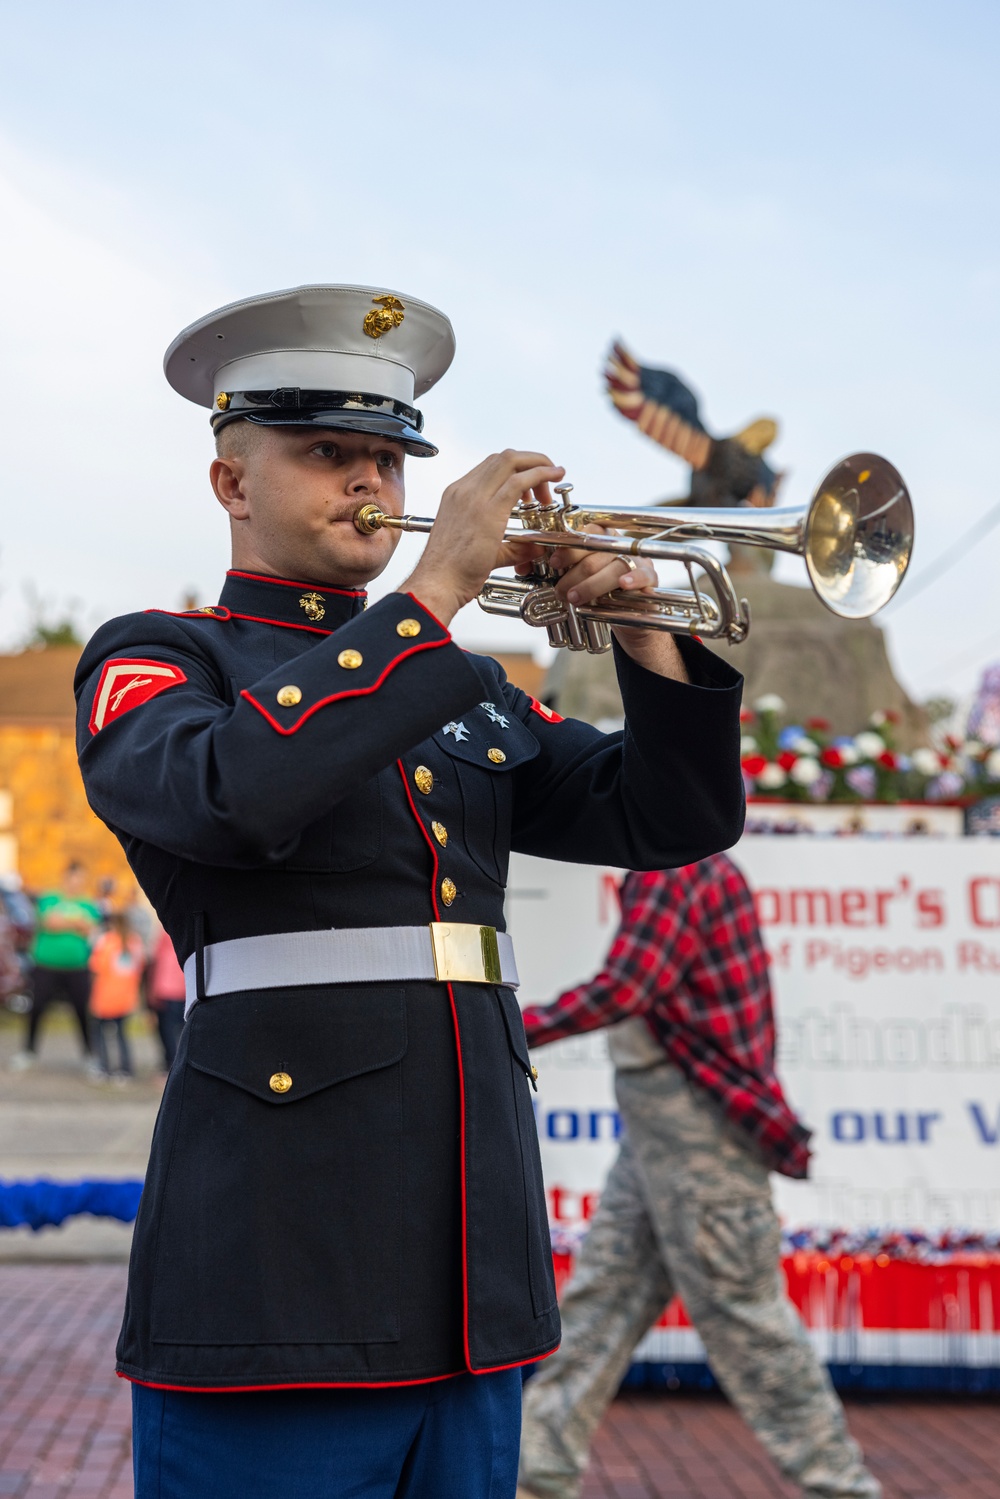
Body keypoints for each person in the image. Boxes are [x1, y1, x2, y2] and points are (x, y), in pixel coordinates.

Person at [74, 283, 745, 1499]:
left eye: (386, 454)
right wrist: (428, 595)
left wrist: (646, 632)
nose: (370, 484)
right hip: (276, 1270)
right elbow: (236, 793)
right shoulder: (161, 657)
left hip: (471, 1271)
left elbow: (670, 819)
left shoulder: (460, 684)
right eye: (328, 453)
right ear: (232, 482)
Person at [517, 853, 881, 1499]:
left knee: (746, 1319)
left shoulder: (672, 863)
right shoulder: (685, 860)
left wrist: (507, 1030)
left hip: (694, 1125)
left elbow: (626, 986)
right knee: (600, 1302)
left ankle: (843, 1488)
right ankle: (531, 1477)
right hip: (669, 1126)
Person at [10, 861, 100, 1071]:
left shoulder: (89, 904)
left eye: (80, 879)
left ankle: (90, 1056)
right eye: (73, 878)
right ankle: (28, 1051)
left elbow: (90, 929)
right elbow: (51, 922)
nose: (76, 883)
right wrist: (77, 922)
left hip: (77, 967)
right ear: (66, 878)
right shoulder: (50, 898)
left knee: (81, 1011)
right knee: (37, 1008)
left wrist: (70, 922)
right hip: (46, 966)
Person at [88, 910, 144, 1081]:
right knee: (122, 1035)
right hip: (126, 997)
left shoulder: (106, 940)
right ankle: (126, 1069)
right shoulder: (135, 942)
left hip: (105, 996)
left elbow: (95, 966)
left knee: (100, 1033)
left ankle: (104, 1068)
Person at [147, 926, 187, 1069]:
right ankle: (178, 1063)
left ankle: (171, 1064)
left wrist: (152, 989)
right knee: (181, 1031)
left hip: (167, 989)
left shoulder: (165, 931)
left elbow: (156, 960)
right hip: (183, 988)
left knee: (167, 1031)